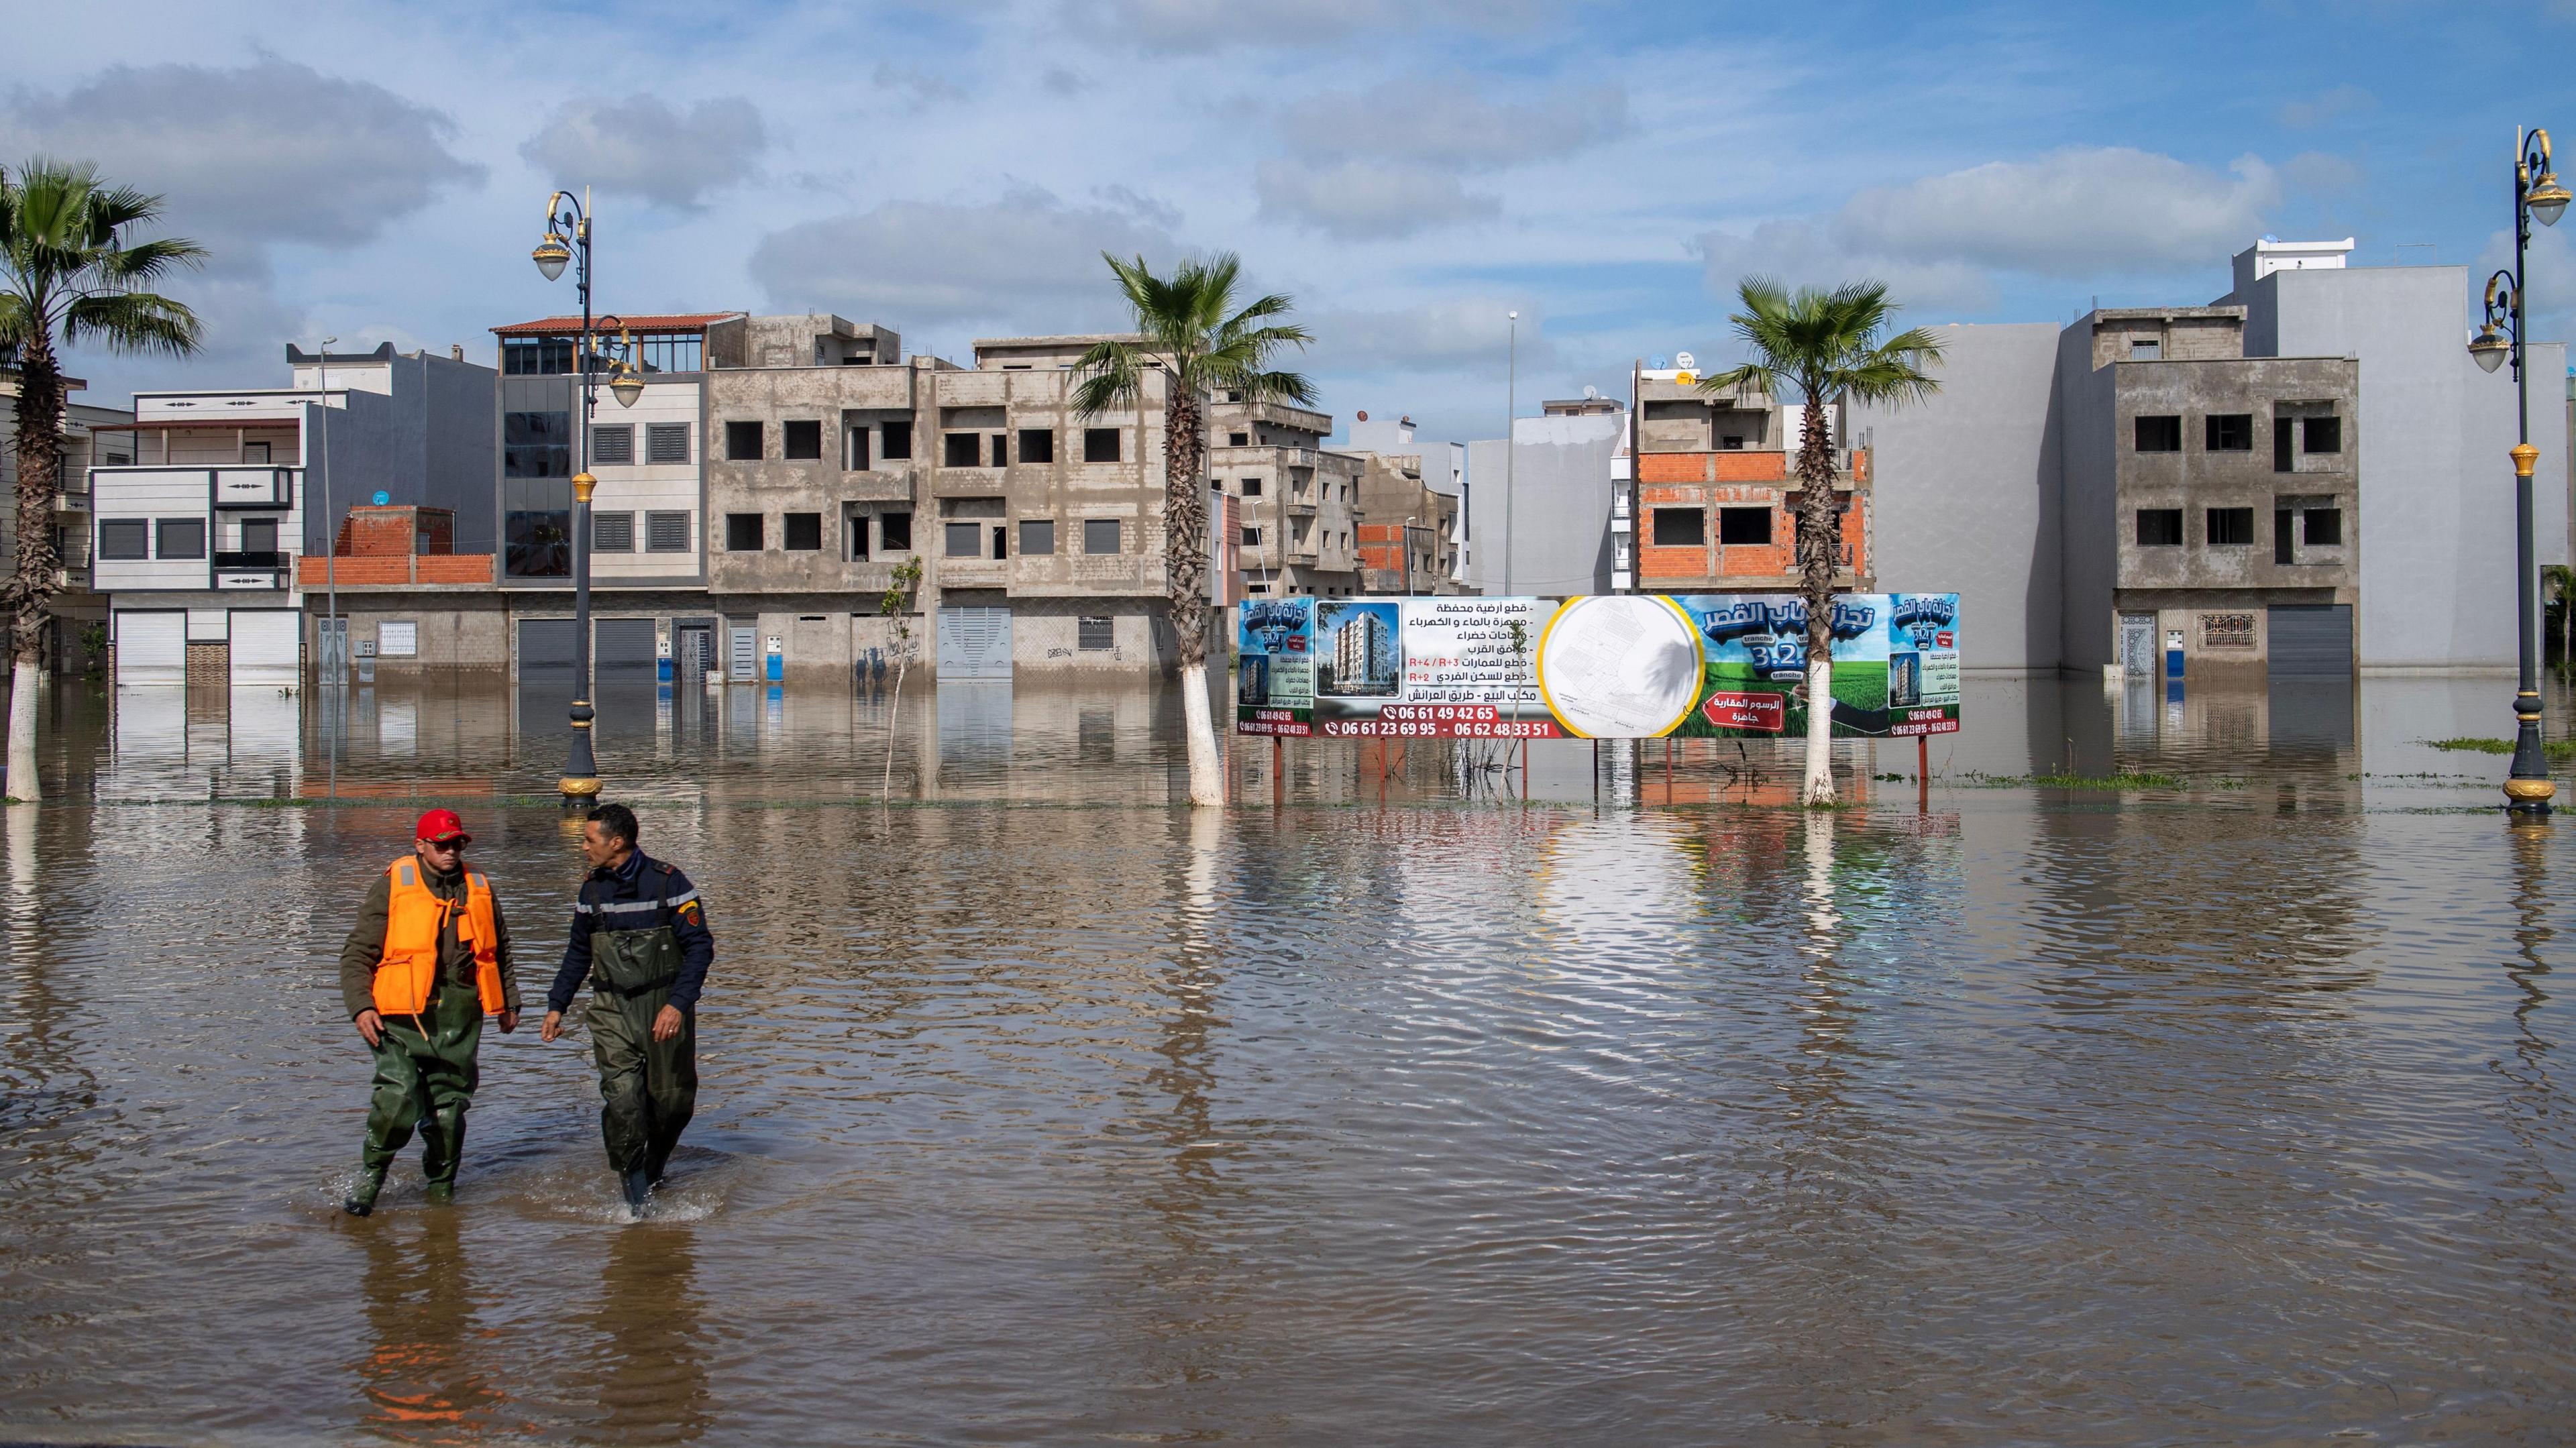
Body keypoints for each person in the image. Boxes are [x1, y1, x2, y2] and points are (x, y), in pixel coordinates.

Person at [339, 808, 521, 1216]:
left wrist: (510, 1002)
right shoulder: (393, 886)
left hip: (459, 1013)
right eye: (442, 845)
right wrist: (361, 1007)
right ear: (420, 846)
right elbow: (356, 953)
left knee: (449, 1112)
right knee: (398, 1097)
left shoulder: (479, 886)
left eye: (457, 843)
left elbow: (501, 949)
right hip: (398, 1015)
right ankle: (371, 1177)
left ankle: (441, 1193)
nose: (451, 851)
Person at [541, 803, 712, 1212]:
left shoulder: (669, 884)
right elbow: (577, 953)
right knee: (623, 1103)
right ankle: (635, 1199)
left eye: (589, 840)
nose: (583, 847)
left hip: (664, 1008)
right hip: (611, 1007)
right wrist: (556, 1006)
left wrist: (677, 1005)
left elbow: (700, 948)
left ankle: (653, 1169)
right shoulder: (591, 890)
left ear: (616, 842)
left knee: (672, 1105)